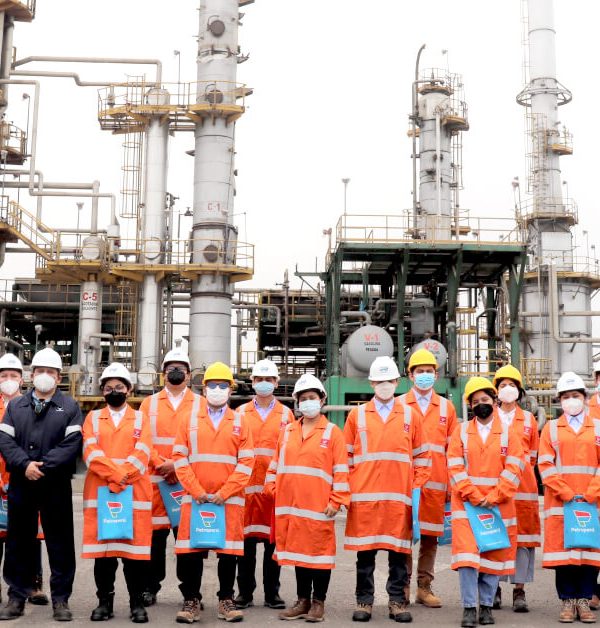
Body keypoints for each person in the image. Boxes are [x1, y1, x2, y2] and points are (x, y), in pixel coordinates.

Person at [343, 355, 431, 623]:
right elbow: (345, 458)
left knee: (399, 554)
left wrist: (413, 489)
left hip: (398, 499)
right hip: (365, 499)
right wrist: (350, 489)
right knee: (365, 555)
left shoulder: (410, 416)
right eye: (380, 381)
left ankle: (397, 602)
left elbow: (423, 457)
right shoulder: (356, 415)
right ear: (371, 383)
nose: (384, 385)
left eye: (389, 380)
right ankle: (364, 601)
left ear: (397, 382)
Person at [0, 347, 82, 621]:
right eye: (40, 371)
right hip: (22, 482)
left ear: (59, 377)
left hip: (54, 484)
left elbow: (72, 444)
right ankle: (16, 597)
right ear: (31, 375)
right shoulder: (16, 406)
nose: (45, 375)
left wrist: (43, 467)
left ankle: (61, 600)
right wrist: (25, 465)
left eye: (50, 372)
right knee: (18, 542)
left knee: (60, 543)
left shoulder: (69, 407)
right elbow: (4, 440)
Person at [172, 361, 254, 624]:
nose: (217, 389)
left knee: (228, 552)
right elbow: (179, 459)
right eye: (212, 385)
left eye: (222, 385)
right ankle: (191, 600)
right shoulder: (188, 419)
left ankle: (226, 600)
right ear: (204, 389)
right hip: (195, 498)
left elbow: (247, 462)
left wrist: (225, 492)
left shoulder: (241, 422)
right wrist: (196, 490)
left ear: (230, 389)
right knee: (191, 552)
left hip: (228, 500)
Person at [265, 373, 350, 623]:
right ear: (297, 402)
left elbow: (341, 470)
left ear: (322, 400)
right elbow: (274, 465)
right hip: (291, 508)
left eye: (312, 397)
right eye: (303, 399)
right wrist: (272, 488)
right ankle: (302, 601)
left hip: (319, 507)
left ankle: (318, 602)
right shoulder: (288, 431)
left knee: (320, 556)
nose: (308, 402)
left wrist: (336, 500)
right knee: (299, 554)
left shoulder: (333, 433)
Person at [447, 376, 523, 628]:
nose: (481, 404)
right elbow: (455, 466)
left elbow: (515, 467)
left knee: (492, 556)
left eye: (485, 399)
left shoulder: (509, 434)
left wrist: (495, 496)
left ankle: (487, 606)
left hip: (497, 505)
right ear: (470, 405)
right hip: (467, 506)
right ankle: (470, 607)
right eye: (476, 401)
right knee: (468, 559)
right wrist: (474, 495)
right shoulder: (460, 432)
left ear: (494, 401)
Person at [81, 363, 152, 623]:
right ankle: (104, 603)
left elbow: (143, 453)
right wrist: (117, 476)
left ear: (129, 389)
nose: (114, 391)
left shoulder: (142, 419)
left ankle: (137, 604)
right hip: (102, 491)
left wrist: (120, 477)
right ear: (102, 391)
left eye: (119, 387)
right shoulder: (92, 418)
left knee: (134, 556)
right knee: (105, 554)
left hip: (133, 494)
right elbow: (91, 453)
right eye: (109, 387)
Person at [139, 348, 204, 607]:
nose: (175, 372)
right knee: (154, 540)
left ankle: (191, 592)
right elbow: (142, 439)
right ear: (163, 373)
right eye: (170, 368)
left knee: (187, 541)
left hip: (186, 483)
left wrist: (177, 466)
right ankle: (149, 587)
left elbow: (203, 442)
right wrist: (161, 464)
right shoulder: (149, 404)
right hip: (156, 482)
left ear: (188, 374)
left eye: (181, 368)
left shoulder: (200, 404)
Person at [538, 371, 600, 623]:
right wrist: (564, 491)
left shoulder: (598, 427)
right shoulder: (551, 429)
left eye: (575, 395)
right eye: (566, 396)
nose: (571, 400)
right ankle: (567, 600)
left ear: (584, 397)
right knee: (564, 555)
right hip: (561, 503)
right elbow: (544, 464)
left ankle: (584, 600)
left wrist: (592, 492)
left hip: (592, 502)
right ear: (559, 400)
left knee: (589, 553)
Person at [400, 348, 457, 608]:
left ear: (436, 375)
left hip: (436, 483)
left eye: (429, 371)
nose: (425, 375)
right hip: (406, 484)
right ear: (411, 375)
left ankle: (424, 587)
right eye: (420, 371)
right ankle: (401, 586)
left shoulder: (446, 407)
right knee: (403, 537)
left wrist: (451, 483)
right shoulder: (400, 405)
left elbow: (453, 450)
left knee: (431, 538)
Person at [234, 359, 291, 610]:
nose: (264, 383)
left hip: (272, 490)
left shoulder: (287, 415)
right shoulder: (240, 413)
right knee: (244, 546)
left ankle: (272, 594)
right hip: (245, 490)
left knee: (272, 545)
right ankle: (244, 593)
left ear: (277, 383)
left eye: (269, 379)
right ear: (252, 382)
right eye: (259, 379)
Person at [0, 354, 48, 607]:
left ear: (22, 379)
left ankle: (34, 584)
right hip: (0, 482)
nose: (8, 380)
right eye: (3, 376)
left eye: (13, 376)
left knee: (31, 535)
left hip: (25, 479)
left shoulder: (31, 405)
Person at [491, 365, 540, 612]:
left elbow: (532, 457)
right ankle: (493, 588)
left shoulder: (529, 419)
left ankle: (519, 590)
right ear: (496, 391)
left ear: (519, 391)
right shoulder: (488, 417)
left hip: (524, 489)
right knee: (496, 537)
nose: (507, 389)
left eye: (512, 385)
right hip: (496, 487)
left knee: (522, 540)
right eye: (503, 385)